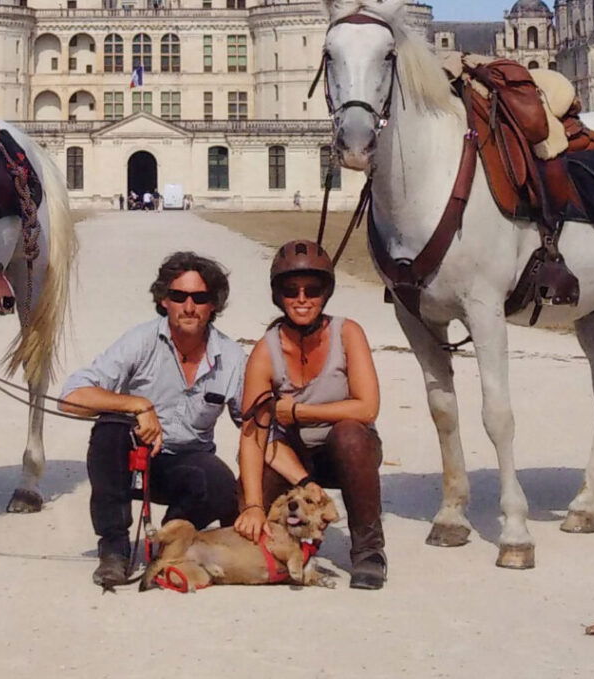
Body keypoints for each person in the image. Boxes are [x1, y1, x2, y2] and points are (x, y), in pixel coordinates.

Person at [59, 251, 245, 588]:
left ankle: (169, 544)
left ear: (214, 304)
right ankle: (114, 547)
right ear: (164, 300)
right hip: (135, 462)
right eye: (179, 296)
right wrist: (137, 405)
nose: (189, 307)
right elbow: (70, 398)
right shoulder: (140, 341)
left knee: (220, 482)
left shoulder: (232, 358)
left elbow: (256, 428)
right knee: (110, 428)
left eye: (200, 298)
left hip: (187, 464)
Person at [235, 239, 387, 589]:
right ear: (278, 296)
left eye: (312, 290)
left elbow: (367, 407)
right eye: (291, 291)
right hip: (294, 457)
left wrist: (300, 411)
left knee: (350, 433)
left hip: (347, 453)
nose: (302, 299)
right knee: (247, 509)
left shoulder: (347, 333)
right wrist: (253, 505)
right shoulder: (265, 351)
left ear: (326, 293)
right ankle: (277, 550)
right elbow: (253, 435)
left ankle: (368, 550)